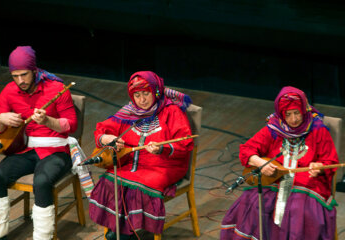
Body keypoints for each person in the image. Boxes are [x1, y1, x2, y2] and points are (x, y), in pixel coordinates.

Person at [220, 86, 338, 240]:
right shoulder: (274, 129)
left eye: (297, 113)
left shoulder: (317, 129)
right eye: (288, 115)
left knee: (298, 210)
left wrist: (319, 167)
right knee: (252, 203)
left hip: (306, 183)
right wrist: (260, 162)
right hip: (274, 180)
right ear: (281, 114)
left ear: (303, 110)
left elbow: (330, 160)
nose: (293, 119)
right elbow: (247, 149)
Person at [89, 71, 194, 239]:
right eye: (137, 95)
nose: (142, 100)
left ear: (156, 92)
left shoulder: (172, 112)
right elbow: (103, 129)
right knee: (110, 180)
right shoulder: (128, 112)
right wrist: (107, 138)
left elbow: (185, 143)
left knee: (137, 188)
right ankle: (118, 229)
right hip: (130, 164)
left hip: (163, 165)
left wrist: (163, 148)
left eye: (146, 93)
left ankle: (125, 233)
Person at [0, 46, 77, 240]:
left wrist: (48, 121)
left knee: (42, 181)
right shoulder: (9, 91)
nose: (20, 81)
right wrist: (1, 118)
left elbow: (71, 125)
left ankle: (42, 237)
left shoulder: (57, 88)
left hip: (57, 150)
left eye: (24, 75)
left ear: (34, 70)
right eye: (15, 76)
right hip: (28, 149)